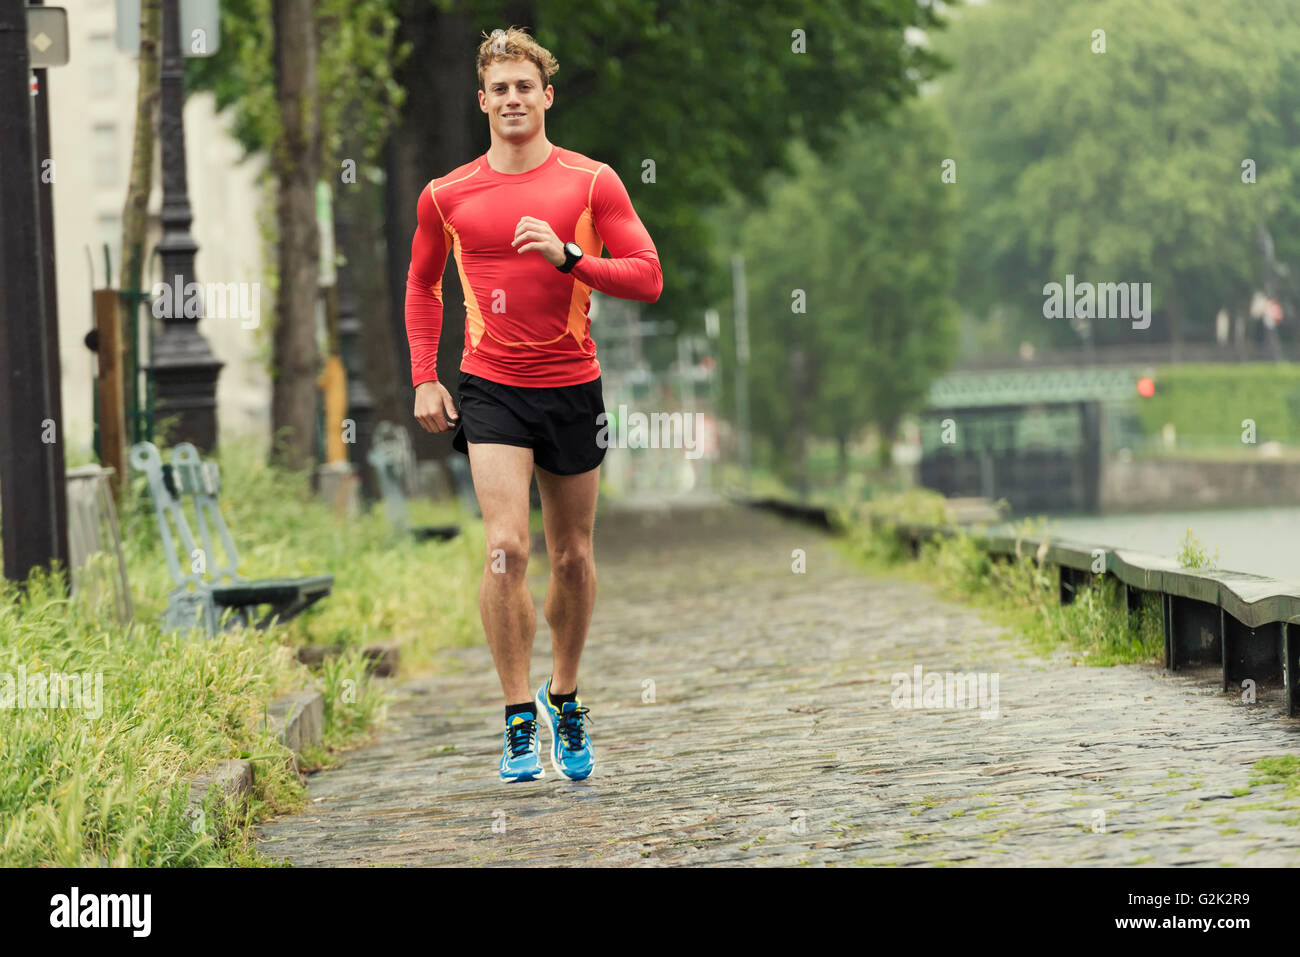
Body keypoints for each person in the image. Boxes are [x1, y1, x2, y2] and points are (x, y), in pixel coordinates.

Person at [404, 26, 663, 782]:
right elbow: (423, 285)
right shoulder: (446, 195)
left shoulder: (591, 184)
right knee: (507, 548)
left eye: (526, 87)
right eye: (500, 89)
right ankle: (518, 711)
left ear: (546, 97)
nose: (513, 99)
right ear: (481, 100)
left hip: (573, 384)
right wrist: (426, 374)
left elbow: (647, 275)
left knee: (573, 556)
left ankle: (565, 692)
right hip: (491, 385)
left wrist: (569, 255)